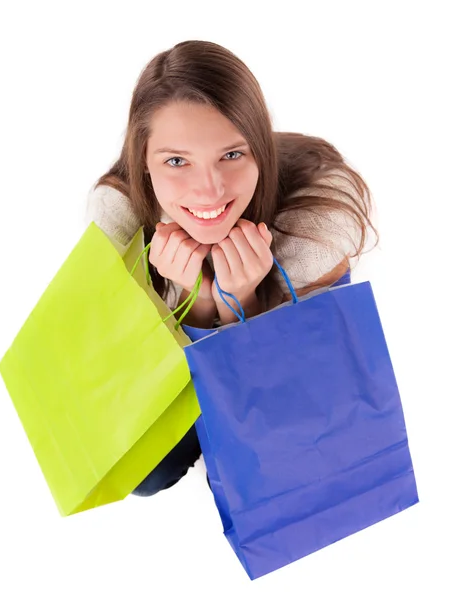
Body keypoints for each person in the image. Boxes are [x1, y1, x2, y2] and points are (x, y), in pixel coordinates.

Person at [85, 40, 378, 497]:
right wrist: (194, 305)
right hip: (176, 379)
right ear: (143, 161)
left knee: (275, 458)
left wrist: (244, 303)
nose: (209, 190)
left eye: (232, 155)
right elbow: (117, 373)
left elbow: (294, 406)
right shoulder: (120, 215)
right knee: (146, 467)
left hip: (285, 382)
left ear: (259, 149)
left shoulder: (315, 224)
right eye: (177, 161)